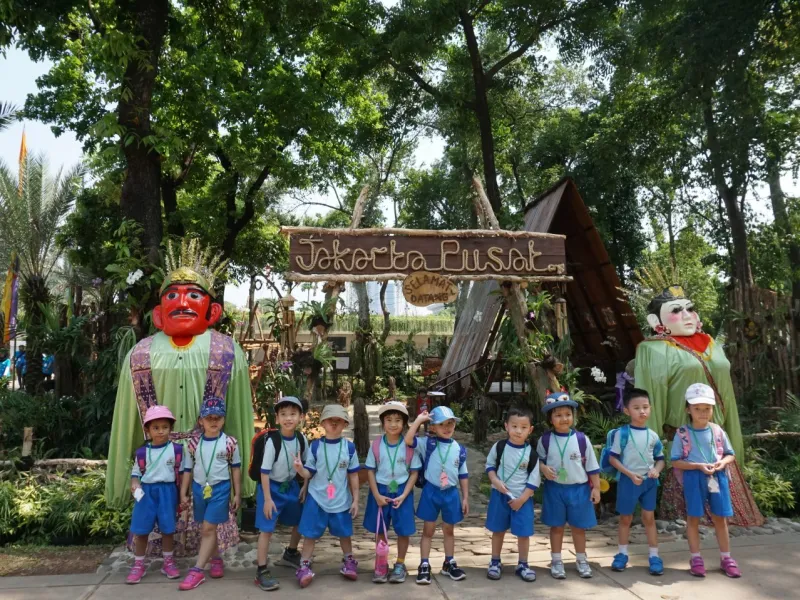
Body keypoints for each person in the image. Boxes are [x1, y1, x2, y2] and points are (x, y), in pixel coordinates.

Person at [106, 240, 254, 558]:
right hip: (161, 458)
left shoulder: (227, 351)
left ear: (213, 311)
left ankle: (209, 555)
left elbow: (240, 416)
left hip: (209, 459)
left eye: (194, 295)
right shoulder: (141, 353)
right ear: (158, 314)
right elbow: (127, 423)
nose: (183, 302)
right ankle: (166, 555)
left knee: (210, 515)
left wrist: (245, 477)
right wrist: (125, 478)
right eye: (172, 295)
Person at [634, 285, 762, 526]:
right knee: (692, 508)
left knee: (724, 506)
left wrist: (732, 436)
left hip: (716, 435)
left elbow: (728, 396)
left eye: (690, 308)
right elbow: (651, 399)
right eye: (676, 310)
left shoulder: (711, 343)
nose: (687, 315)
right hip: (684, 437)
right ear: (655, 320)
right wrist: (649, 448)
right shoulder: (653, 349)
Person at [671, 383, 741, 579]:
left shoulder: (717, 431)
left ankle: (726, 558)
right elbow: (675, 461)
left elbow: (730, 455)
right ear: (688, 409)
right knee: (693, 517)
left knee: (721, 518)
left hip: (717, 476)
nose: (702, 413)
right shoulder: (682, 433)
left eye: (707, 408)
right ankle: (696, 558)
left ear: (713, 409)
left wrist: (721, 463)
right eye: (697, 409)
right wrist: (697, 466)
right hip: (694, 478)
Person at [178, 397, 242, 591]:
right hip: (199, 489)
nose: (214, 421)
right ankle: (216, 559)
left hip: (220, 489)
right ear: (201, 420)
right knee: (207, 529)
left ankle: (197, 570)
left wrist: (237, 493)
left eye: (218, 417)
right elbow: (187, 469)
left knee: (207, 528)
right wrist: (184, 491)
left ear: (223, 420)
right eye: (209, 418)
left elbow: (235, 469)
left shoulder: (230, 442)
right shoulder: (193, 443)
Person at [293, 404, 360, 588]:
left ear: (345, 423)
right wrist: (300, 469)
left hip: (341, 499)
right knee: (310, 534)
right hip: (317, 498)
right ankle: (304, 565)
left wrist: (356, 499)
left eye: (339, 420)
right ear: (322, 422)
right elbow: (309, 473)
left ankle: (348, 561)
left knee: (344, 534)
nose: (334, 423)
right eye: (330, 420)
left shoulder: (349, 448)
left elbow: (353, 475)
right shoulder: (315, 446)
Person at [537, 391, 601, 580]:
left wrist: (596, 488)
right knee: (556, 527)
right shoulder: (545, 440)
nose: (564, 419)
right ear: (550, 419)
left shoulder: (581, 439)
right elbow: (538, 461)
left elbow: (592, 466)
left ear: (573, 416)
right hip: (555, 489)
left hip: (579, 489)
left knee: (578, 527)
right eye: (558, 415)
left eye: (567, 414)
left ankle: (581, 559)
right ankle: (556, 560)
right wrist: (543, 468)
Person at [405, 406, 469, 585]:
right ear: (433, 427)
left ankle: (449, 562)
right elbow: (408, 440)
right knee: (428, 530)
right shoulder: (428, 443)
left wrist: (465, 497)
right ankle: (424, 564)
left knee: (449, 529)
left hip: (451, 493)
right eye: (442, 424)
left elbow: (463, 475)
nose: (447, 427)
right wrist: (419, 421)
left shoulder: (459, 449)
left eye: (450, 423)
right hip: (431, 492)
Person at [608, 388, 666, 576]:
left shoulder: (653, 435)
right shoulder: (622, 433)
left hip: (649, 483)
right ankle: (622, 554)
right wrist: (629, 474)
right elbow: (613, 458)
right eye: (636, 408)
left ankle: (654, 556)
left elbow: (660, 458)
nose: (642, 411)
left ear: (650, 408)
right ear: (627, 411)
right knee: (626, 519)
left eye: (645, 407)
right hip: (628, 481)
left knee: (649, 518)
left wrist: (656, 470)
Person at [254, 396, 309, 591]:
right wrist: (268, 499)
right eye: (283, 414)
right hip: (270, 487)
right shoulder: (272, 441)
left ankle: (291, 553)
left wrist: (305, 485)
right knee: (266, 529)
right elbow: (264, 472)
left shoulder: (302, 439)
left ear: (301, 417)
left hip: (291, 486)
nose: (288, 418)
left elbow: (307, 466)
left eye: (293, 414)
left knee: (300, 521)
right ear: (276, 418)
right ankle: (261, 570)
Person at [363, 401, 421, 584]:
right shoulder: (377, 445)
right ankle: (381, 562)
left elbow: (414, 472)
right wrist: (376, 495)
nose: (393, 424)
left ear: (404, 423)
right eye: (389, 420)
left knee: (403, 530)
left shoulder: (409, 445)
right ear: (382, 422)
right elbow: (370, 470)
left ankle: (400, 563)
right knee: (380, 529)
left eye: (398, 420)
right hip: (379, 491)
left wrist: (404, 495)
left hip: (402, 492)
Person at [127, 406, 183, 584]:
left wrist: (184, 496)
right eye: (156, 428)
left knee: (168, 529)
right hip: (146, 493)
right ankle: (138, 564)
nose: (161, 431)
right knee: (141, 530)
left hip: (168, 492)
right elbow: (136, 473)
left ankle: (168, 562)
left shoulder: (176, 450)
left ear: (170, 428)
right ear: (147, 430)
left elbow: (183, 474)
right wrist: (135, 484)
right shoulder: (142, 452)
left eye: (165, 427)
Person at [484, 405, 539, 583]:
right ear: (506, 426)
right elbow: (490, 466)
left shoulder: (531, 454)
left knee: (524, 533)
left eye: (523, 427)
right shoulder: (499, 447)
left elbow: (534, 480)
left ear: (530, 430)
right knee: (498, 530)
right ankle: (495, 561)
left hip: (522, 500)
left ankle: (523, 564)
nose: (518, 431)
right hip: (500, 497)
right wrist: (495, 481)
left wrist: (522, 499)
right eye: (514, 426)